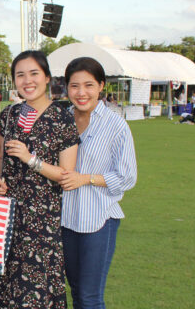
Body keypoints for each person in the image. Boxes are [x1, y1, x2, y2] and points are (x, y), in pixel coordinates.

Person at [0, 50, 79, 309]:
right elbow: (0, 159)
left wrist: (31, 159)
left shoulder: (62, 117)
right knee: (3, 291)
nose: (28, 80)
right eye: (20, 75)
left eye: (34, 73)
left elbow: (65, 174)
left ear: (47, 77)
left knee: (34, 293)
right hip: (7, 218)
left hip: (41, 224)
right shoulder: (10, 114)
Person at [59, 57, 137, 309]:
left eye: (89, 85)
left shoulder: (115, 125)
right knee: (77, 294)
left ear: (101, 86)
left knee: (91, 297)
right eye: (74, 86)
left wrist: (86, 178)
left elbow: (127, 177)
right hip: (65, 218)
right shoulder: (61, 120)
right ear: (66, 88)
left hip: (99, 219)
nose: (81, 93)